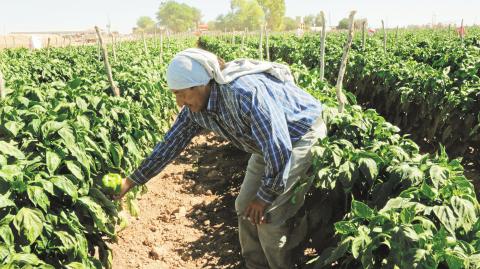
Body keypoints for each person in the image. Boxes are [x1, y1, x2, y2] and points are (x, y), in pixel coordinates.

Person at [114, 48, 327, 269]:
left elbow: (279, 146)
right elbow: (170, 144)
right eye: (175, 94)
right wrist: (130, 182)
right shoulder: (195, 109)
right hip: (267, 145)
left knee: (269, 217)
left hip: (300, 135)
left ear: (201, 85)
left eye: (182, 93)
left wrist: (264, 197)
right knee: (245, 206)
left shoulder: (243, 94)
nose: (179, 102)